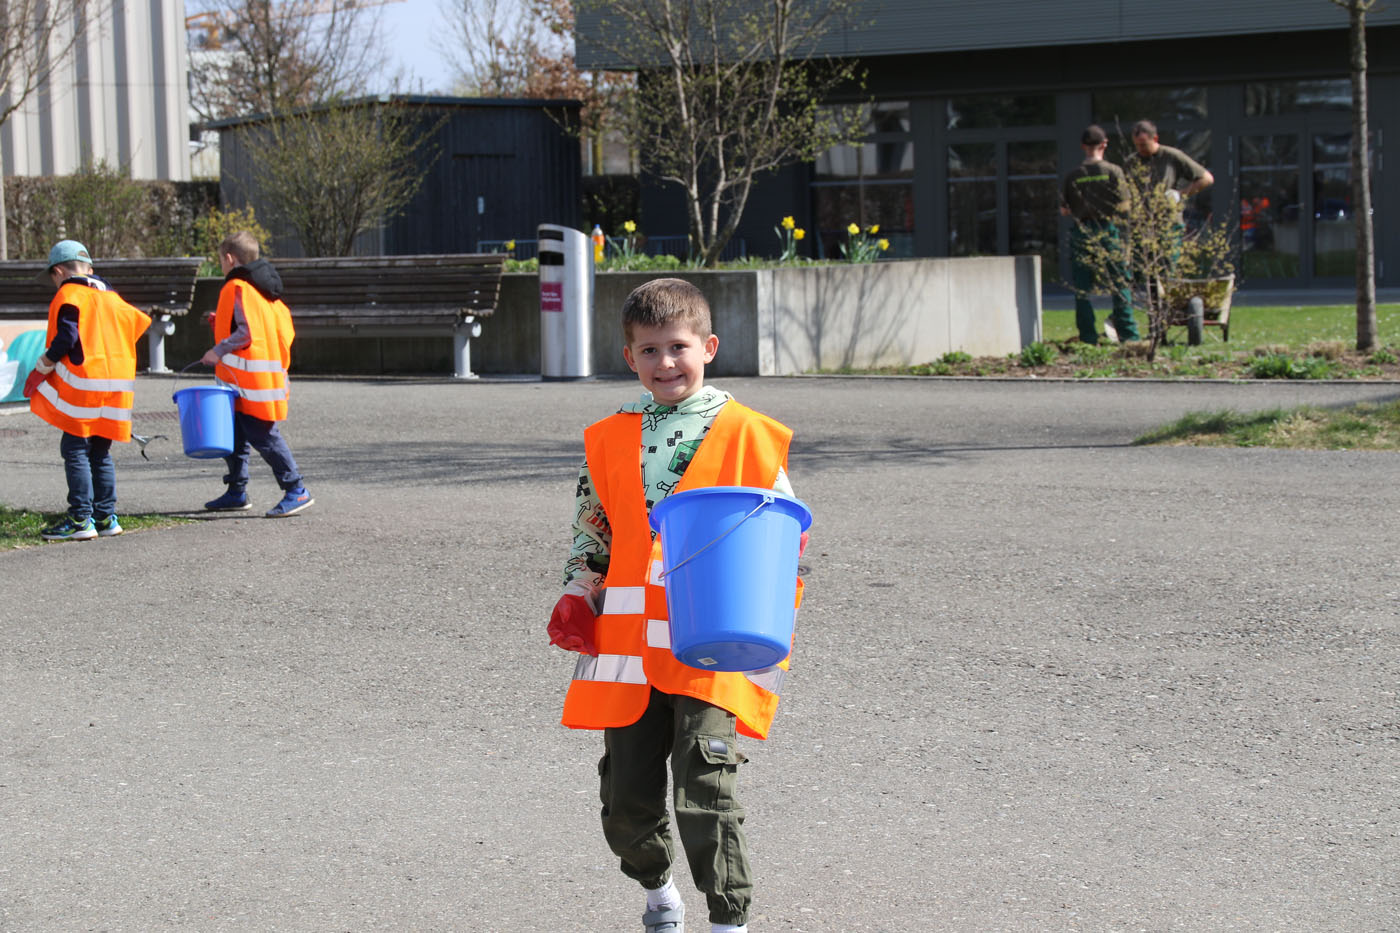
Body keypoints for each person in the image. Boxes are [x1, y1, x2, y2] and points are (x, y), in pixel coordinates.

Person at [548, 278, 804, 933]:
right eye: (649, 350)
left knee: (705, 787)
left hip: (716, 637)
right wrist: (578, 586)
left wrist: (772, 616)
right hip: (629, 649)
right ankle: (659, 890)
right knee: (625, 801)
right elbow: (593, 527)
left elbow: (783, 538)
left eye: (678, 347)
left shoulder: (749, 435)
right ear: (629, 357)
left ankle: (728, 919)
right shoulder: (609, 437)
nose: (665, 363)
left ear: (708, 348)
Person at [23, 239, 151, 541]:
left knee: (75, 449)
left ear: (58, 272)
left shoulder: (69, 294)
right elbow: (134, 327)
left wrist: (44, 364)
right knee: (101, 452)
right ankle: (105, 517)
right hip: (117, 385)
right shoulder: (113, 298)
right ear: (90, 270)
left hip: (84, 385)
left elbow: (67, 337)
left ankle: (81, 519)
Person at [200, 231, 313, 518]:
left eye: (220, 261)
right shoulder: (264, 290)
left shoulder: (236, 286)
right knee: (236, 434)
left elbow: (246, 332)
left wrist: (217, 351)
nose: (221, 266)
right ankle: (236, 491)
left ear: (229, 258)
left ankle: (296, 489)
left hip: (249, 382)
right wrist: (219, 322)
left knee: (263, 435)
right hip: (259, 379)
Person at [1061, 124, 1138, 345]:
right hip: (1107, 229)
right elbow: (1125, 206)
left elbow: (1064, 210)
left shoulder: (1072, 176)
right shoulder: (1113, 171)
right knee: (1120, 283)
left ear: (1083, 146)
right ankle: (1129, 335)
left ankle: (1088, 337)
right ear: (1104, 144)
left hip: (1082, 232)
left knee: (1082, 288)